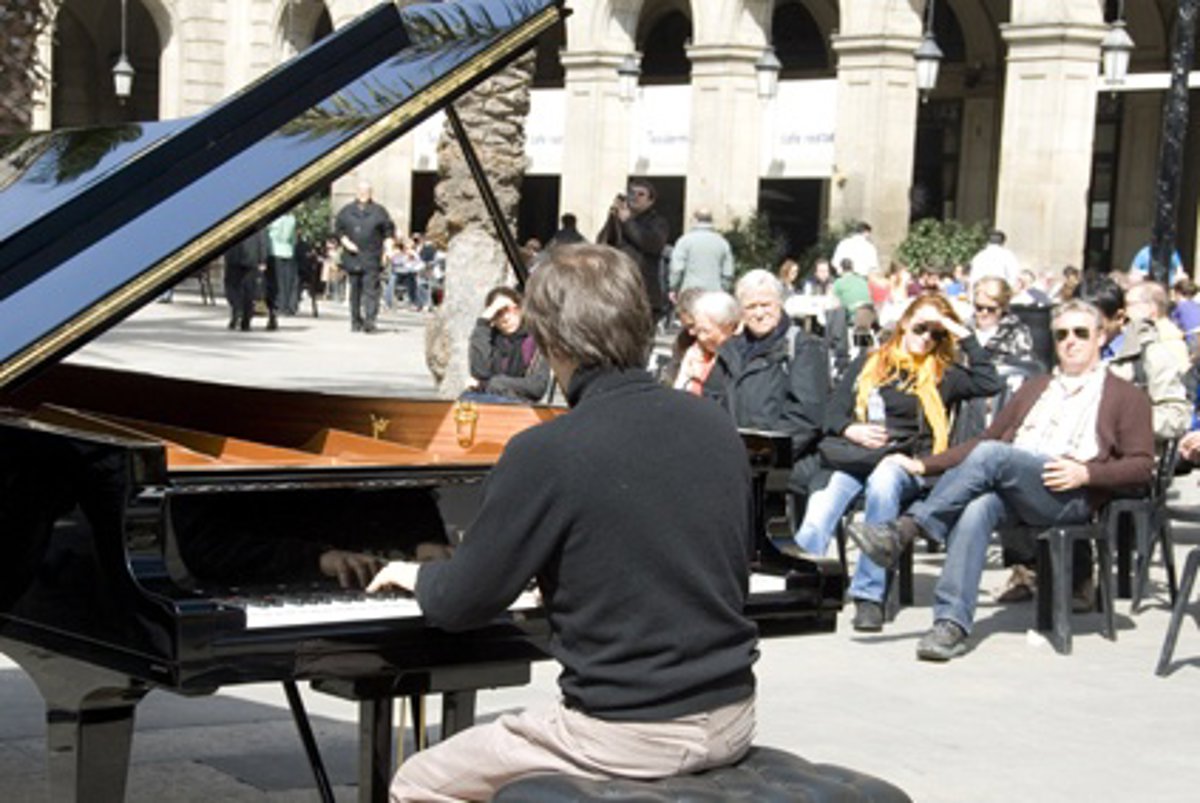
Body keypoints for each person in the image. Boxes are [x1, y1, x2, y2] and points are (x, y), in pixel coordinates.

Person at [367, 244, 760, 801]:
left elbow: (461, 604)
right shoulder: (716, 426)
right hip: (734, 714)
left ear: (552, 342)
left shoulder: (546, 452)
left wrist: (418, 575)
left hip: (628, 730)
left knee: (418, 782)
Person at [847, 300, 1155, 661]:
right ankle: (950, 624)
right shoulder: (1037, 387)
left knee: (996, 455)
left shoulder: (1125, 395)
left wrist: (1088, 473)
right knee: (977, 506)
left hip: (1069, 494)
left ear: (1100, 337)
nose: (1070, 341)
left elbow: (1142, 466)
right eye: (1061, 335)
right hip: (1016, 488)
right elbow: (983, 441)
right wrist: (923, 466)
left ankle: (907, 529)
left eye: (1080, 333)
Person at [794, 293, 1001, 632]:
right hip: (857, 459)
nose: (927, 338)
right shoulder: (869, 363)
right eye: (921, 328)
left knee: (885, 478)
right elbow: (831, 414)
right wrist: (851, 428)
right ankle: (799, 589)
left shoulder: (944, 373)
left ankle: (869, 595)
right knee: (821, 506)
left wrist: (963, 334)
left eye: (937, 334)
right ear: (904, 324)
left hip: (910, 465)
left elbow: (990, 382)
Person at [703, 269, 829, 462]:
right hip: (731, 457)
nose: (759, 313)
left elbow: (806, 416)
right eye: (751, 307)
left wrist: (763, 453)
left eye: (765, 305)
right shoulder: (730, 349)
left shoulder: (803, 347)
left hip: (781, 463)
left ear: (779, 303)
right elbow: (711, 400)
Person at [1087, 278, 1190, 441]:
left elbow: (1177, 417)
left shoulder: (1150, 356)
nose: (1084, 331)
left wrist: (1125, 420)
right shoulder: (1065, 353)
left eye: (1094, 323)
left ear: (1119, 317)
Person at [596, 178, 671, 322]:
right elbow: (602, 243)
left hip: (644, 290)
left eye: (641, 194)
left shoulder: (657, 222)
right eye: (632, 193)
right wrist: (612, 217)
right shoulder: (620, 219)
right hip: (618, 288)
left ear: (650, 201)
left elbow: (651, 244)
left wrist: (628, 222)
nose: (635, 197)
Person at [466, 286, 551, 403]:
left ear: (520, 309)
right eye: (498, 313)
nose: (505, 318)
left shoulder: (534, 340)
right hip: (488, 402)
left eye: (509, 310)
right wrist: (483, 322)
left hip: (520, 406)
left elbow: (537, 386)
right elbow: (479, 373)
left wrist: (492, 384)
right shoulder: (489, 339)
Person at [334, 179, 395, 333]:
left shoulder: (380, 211)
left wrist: (388, 250)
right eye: (361, 191)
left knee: (371, 289)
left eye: (366, 191)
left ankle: (370, 321)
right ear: (356, 192)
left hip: (372, 255)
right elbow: (339, 231)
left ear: (371, 193)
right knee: (355, 289)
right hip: (352, 256)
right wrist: (346, 242)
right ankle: (355, 320)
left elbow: (388, 232)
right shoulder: (346, 211)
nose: (363, 194)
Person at [673, 291, 740, 396]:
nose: (701, 337)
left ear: (728, 326)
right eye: (698, 330)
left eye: (706, 331)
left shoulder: (739, 356)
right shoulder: (694, 351)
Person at [668, 208, 734, 295]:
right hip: (715, 293)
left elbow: (677, 269)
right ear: (711, 221)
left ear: (695, 220)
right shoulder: (723, 242)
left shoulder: (684, 241)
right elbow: (727, 273)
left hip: (689, 292)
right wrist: (723, 289)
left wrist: (673, 288)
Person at [971, 277, 1034, 363]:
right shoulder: (965, 329)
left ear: (1003, 307)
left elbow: (1024, 364)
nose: (984, 313)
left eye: (991, 309)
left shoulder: (1016, 332)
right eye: (979, 307)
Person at [223, 227, 269, 332]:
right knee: (249, 290)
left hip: (234, 255)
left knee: (233, 286)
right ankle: (245, 321)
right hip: (252, 256)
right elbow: (263, 239)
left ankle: (237, 311)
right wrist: (262, 259)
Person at [267, 209, 299, 318]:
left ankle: (278, 305)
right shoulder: (292, 219)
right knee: (287, 282)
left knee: (277, 282)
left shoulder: (274, 220)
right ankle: (286, 306)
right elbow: (293, 239)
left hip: (274, 250)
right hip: (288, 251)